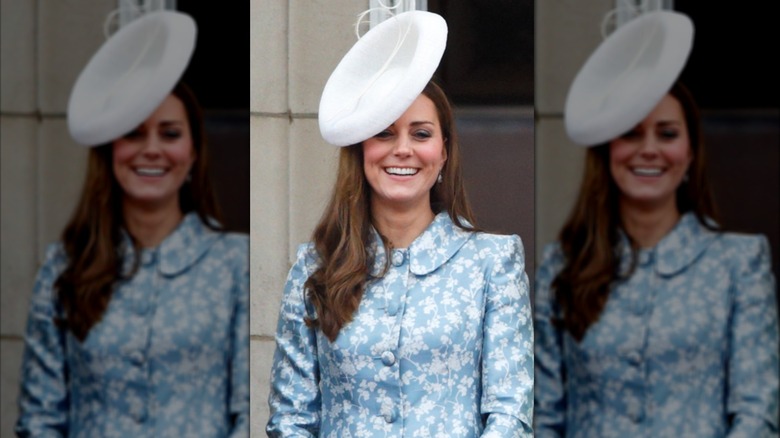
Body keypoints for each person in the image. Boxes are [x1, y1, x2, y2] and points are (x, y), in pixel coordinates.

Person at [534, 8, 780, 435]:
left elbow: (757, 411)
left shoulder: (739, 263)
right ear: (607, 151)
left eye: (667, 134)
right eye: (630, 132)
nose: (649, 149)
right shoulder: (562, 266)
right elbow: (545, 418)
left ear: (689, 155)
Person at [15, 10, 248, 438]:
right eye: (134, 133)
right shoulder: (64, 267)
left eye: (170, 133)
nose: (152, 149)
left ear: (194, 152)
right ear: (110, 150)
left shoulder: (236, 264)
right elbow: (40, 420)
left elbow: (247, 413)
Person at [268, 77, 533, 436]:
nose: (403, 149)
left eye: (421, 134)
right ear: (361, 148)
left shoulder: (492, 261)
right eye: (384, 133)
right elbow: (291, 419)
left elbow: (509, 413)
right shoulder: (316, 265)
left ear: (444, 152)